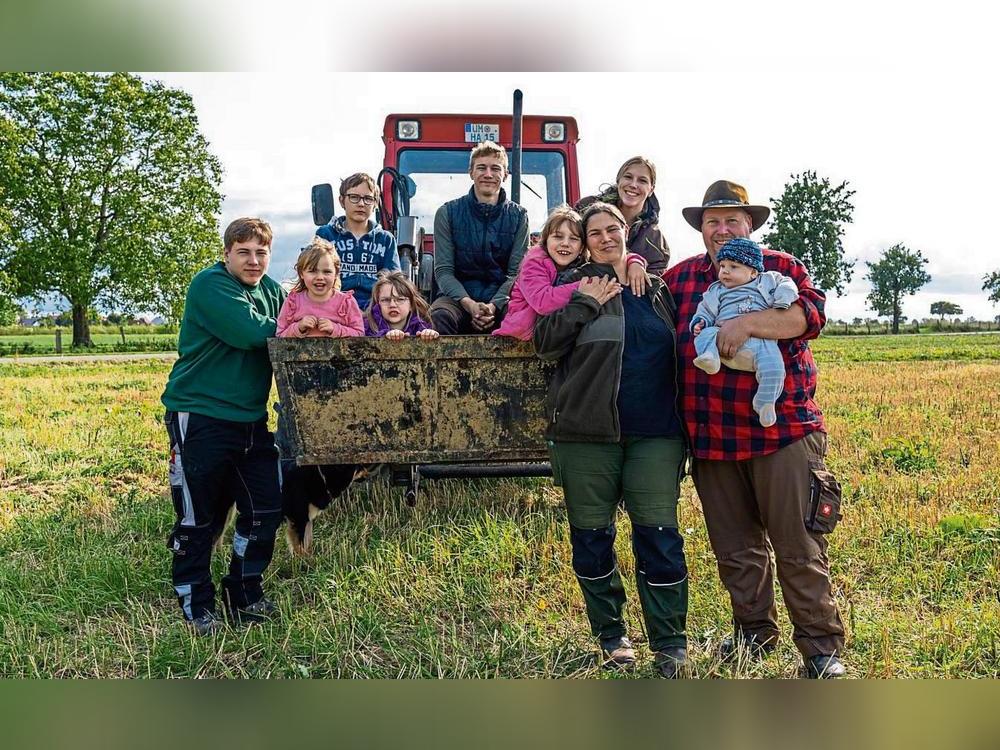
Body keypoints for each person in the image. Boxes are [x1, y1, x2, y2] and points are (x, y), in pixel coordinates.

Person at [664, 180, 846, 678]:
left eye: (732, 221)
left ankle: (820, 647)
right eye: (712, 222)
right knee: (736, 549)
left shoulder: (780, 267)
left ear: (750, 226)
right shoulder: (680, 280)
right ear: (701, 230)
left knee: (798, 544)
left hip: (782, 430)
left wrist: (746, 325)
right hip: (711, 437)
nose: (722, 230)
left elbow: (810, 314)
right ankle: (754, 634)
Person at [534, 202, 689, 678]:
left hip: (656, 434)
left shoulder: (658, 291)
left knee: (659, 538)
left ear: (626, 232)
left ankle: (669, 643)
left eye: (612, 229)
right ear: (585, 242)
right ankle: (611, 635)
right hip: (586, 436)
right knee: (593, 538)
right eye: (594, 232)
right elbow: (545, 343)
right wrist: (585, 303)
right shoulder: (572, 287)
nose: (605, 237)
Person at [160, 217, 286, 635]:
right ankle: (195, 599)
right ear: (226, 253)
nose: (254, 260)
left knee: (265, 507)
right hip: (201, 414)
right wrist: (296, 326)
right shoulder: (209, 284)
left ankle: (244, 591)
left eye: (261, 252)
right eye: (244, 252)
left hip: (251, 420)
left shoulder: (272, 291)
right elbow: (250, 332)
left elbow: (299, 320)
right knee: (200, 517)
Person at [494, 204, 649, 341]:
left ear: (582, 247)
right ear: (545, 240)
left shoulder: (576, 265)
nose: (565, 244)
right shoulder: (533, 264)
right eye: (558, 237)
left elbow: (620, 257)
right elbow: (543, 302)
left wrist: (635, 262)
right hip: (521, 332)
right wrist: (583, 287)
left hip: (547, 331)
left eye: (574, 239)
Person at [690, 237, 800, 427]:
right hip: (721, 339)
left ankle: (764, 402)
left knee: (774, 368)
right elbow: (705, 309)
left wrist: (783, 299)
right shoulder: (716, 290)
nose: (724, 271)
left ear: (753, 271)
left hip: (760, 342)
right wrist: (700, 322)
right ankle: (710, 357)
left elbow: (787, 285)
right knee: (705, 335)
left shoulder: (767, 280)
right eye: (722, 265)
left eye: (733, 266)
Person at [429, 141, 528, 334]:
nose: (488, 174)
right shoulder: (447, 213)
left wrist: (493, 306)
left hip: (501, 298)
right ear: (471, 172)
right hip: (457, 298)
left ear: (505, 175)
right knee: (438, 315)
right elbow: (444, 271)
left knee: (522, 315)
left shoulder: (519, 217)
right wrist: (469, 305)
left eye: (495, 169)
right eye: (481, 168)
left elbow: (516, 273)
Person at [315, 172, 401, 311]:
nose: (361, 203)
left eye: (368, 198)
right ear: (342, 201)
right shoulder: (325, 235)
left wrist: (371, 311)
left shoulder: (386, 240)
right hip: (334, 305)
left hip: (375, 307)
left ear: (375, 204)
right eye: (354, 197)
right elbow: (316, 276)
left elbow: (394, 282)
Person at [577, 156, 670, 275]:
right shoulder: (585, 208)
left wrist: (635, 264)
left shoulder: (654, 239)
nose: (633, 185)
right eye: (628, 177)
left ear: (651, 189)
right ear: (618, 181)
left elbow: (654, 285)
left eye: (642, 180)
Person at [277, 239, 364, 339]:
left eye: (326, 271)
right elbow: (279, 335)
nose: (320, 277)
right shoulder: (292, 302)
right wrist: (298, 327)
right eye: (313, 271)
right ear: (301, 273)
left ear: (336, 274)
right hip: (300, 354)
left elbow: (359, 334)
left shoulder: (346, 303)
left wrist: (335, 329)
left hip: (338, 355)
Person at [364, 270, 439, 340]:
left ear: (411, 305)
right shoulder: (365, 328)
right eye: (386, 300)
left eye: (400, 299)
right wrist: (385, 338)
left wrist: (430, 337)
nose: (392, 305)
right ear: (377, 303)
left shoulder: (421, 328)